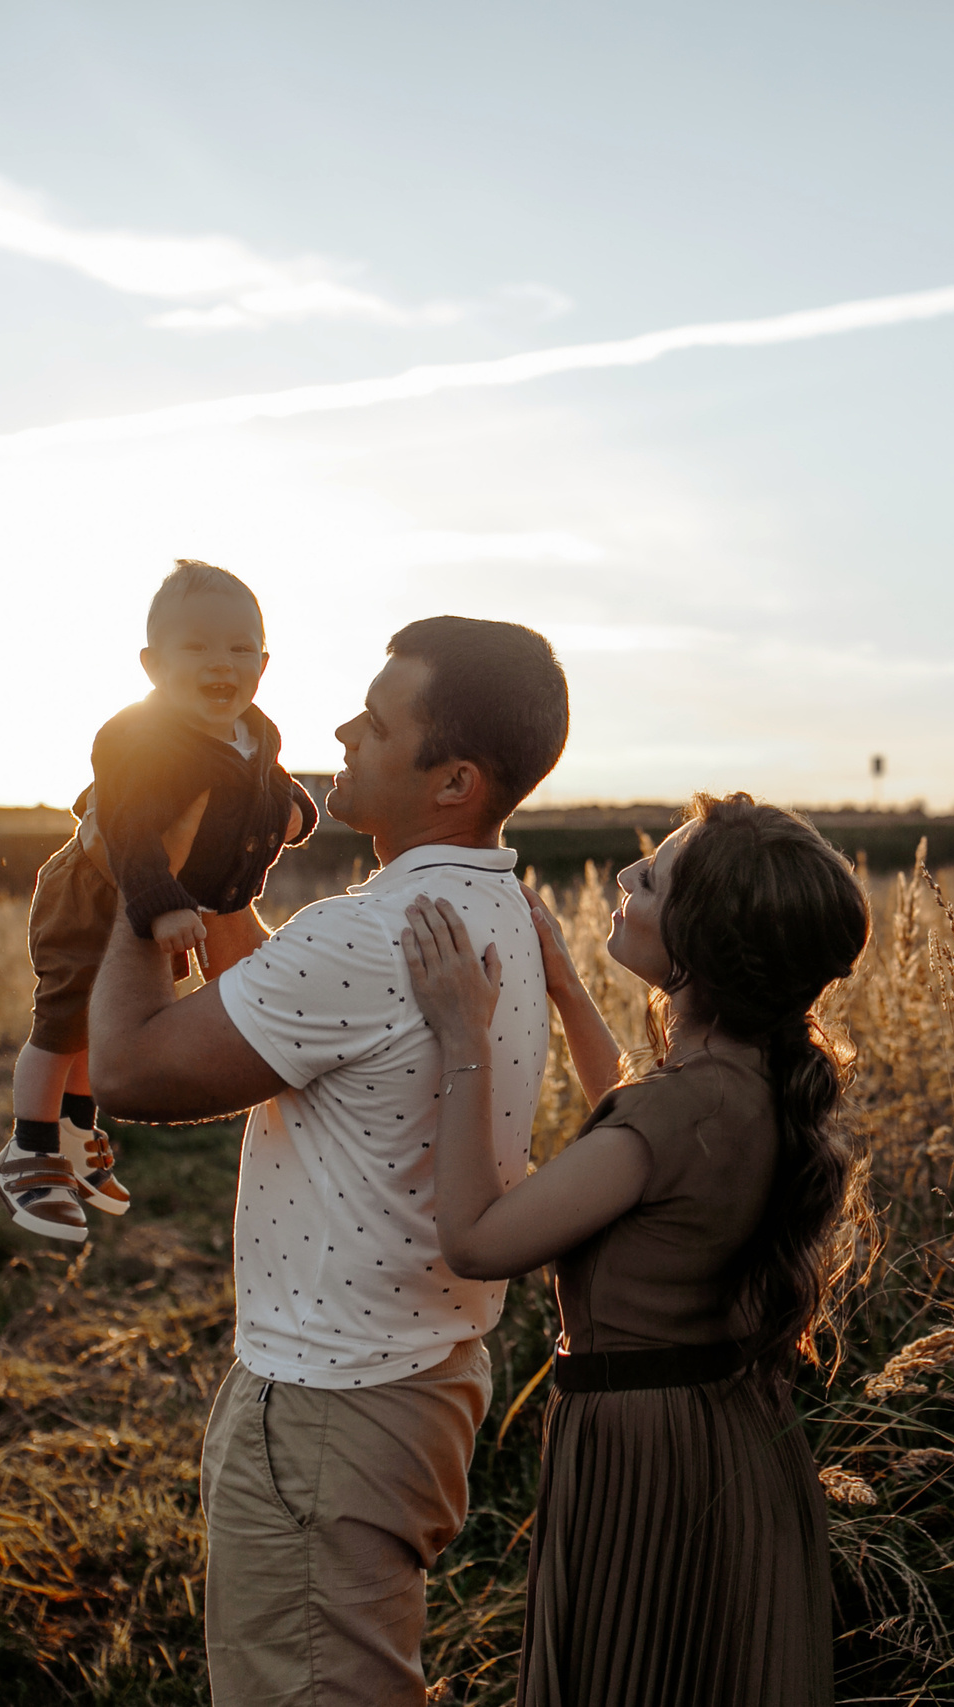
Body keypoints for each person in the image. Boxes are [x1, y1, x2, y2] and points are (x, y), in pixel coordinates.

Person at [88, 616, 569, 1706]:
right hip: (420, 1384)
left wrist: (145, 861)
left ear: (451, 780)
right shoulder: (494, 905)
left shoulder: (367, 935)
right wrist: (220, 891)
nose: (344, 727)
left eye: (378, 719)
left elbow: (128, 1065)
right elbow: (283, 1026)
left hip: (325, 1411)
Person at [397, 792, 868, 1707]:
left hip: (644, 1461)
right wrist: (570, 990)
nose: (623, 875)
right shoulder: (755, 1080)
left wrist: (463, 1037)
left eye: (649, 877)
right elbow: (643, 1137)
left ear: (700, 942)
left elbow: (477, 1239)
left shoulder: (668, 1115)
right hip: (731, 1442)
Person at [0, 558, 318, 1243]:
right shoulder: (141, 738)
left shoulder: (255, 730)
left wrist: (294, 811)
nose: (219, 662)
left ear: (263, 661)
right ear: (152, 665)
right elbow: (130, 831)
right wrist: (162, 903)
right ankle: (29, 1147)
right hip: (96, 892)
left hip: (173, 905)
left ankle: (79, 1134)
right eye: (195, 647)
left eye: (238, 647)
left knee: (103, 1023)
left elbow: (270, 781)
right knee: (60, 1025)